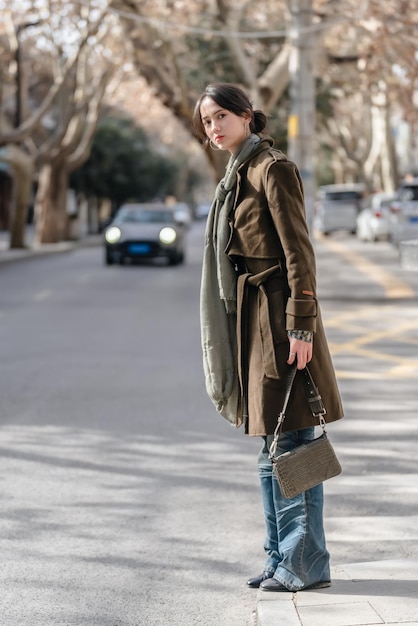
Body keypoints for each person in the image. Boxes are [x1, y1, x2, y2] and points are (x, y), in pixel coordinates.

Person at [193, 83, 344, 592]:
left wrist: (302, 325)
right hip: (253, 321)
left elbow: (300, 252)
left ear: (243, 115)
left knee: (292, 441)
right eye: (205, 122)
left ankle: (303, 563)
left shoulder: (272, 168)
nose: (212, 128)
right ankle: (285, 556)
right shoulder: (237, 175)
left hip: (281, 321)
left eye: (219, 117)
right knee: (274, 445)